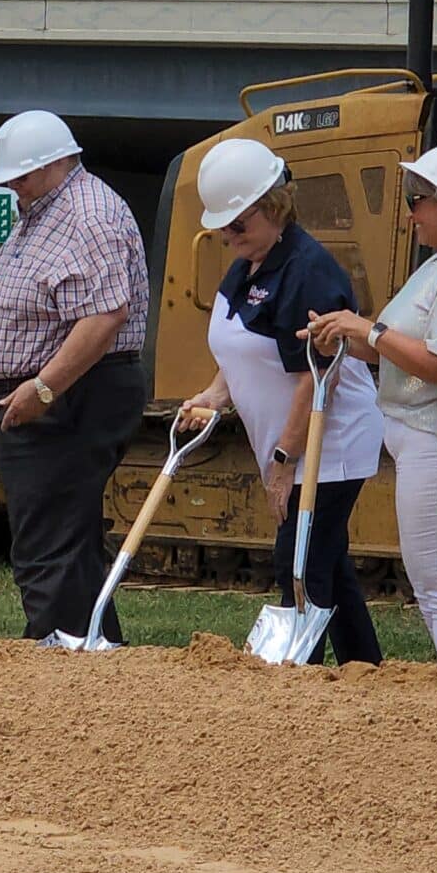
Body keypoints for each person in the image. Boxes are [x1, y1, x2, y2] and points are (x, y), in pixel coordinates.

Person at [0, 110, 147, 645]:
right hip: (46, 393)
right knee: (66, 537)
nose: (14, 188)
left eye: (21, 176)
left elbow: (105, 315)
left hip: (71, 394)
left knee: (46, 542)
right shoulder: (39, 211)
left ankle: (54, 651)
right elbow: (2, 285)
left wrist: (45, 387)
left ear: (58, 162)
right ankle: (95, 651)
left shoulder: (89, 214)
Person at [175, 139, 385, 665]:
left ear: (274, 207)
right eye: (223, 227)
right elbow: (243, 349)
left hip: (330, 443)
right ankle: (366, 671)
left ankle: (298, 682)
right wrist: (213, 397)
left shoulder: (307, 270)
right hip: (293, 443)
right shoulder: (249, 262)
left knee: (298, 560)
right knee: (328, 563)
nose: (228, 236)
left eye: (238, 225)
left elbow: (318, 377)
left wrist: (284, 461)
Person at [303, 144, 437, 675]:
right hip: (431, 440)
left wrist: (364, 327)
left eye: (418, 200)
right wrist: (344, 332)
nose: (411, 213)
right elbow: (397, 345)